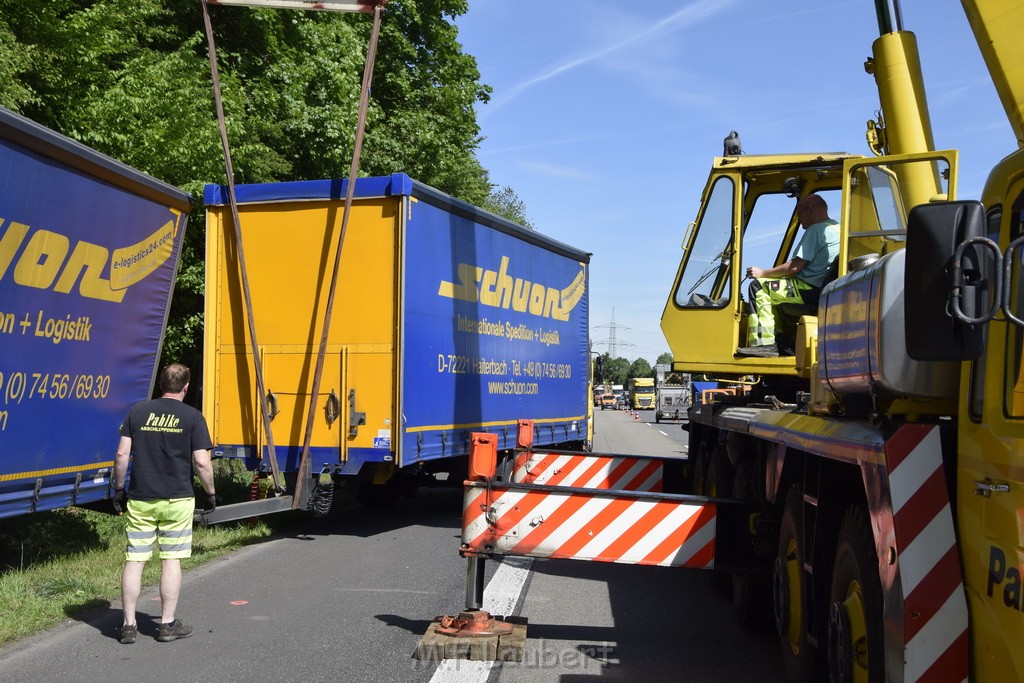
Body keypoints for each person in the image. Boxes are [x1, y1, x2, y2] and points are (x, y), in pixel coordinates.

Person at [112, 363, 217, 644]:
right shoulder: (193, 417)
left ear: (161, 385)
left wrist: (119, 489)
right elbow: (201, 461)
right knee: (171, 560)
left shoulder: (137, 412)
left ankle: (128, 626)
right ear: (185, 387)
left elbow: (122, 456)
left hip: (141, 498)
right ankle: (167, 625)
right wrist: (210, 493)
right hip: (177, 499)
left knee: (135, 560)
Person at [740, 194, 839, 355]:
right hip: (820, 288)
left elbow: (794, 267)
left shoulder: (817, 229)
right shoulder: (837, 229)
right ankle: (780, 343)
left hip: (806, 288)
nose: (799, 222)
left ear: (811, 209)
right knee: (775, 299)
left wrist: (762, 273)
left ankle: (762, 345)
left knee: (758, 287)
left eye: (799, 215)